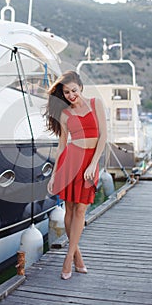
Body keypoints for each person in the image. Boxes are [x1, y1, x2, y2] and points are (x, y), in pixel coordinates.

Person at [45, 70, 107, 280]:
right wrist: (54, 174)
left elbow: (103, 136)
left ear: (80, 87)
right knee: (70, 209)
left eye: (74, 90)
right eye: (67, 92)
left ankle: (68, 257)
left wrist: (93, 164)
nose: (71, 95)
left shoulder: (96, 103)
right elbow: (62, 145)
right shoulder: (65, 113)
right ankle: (77, 256)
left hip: (90, 162)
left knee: (81, 209)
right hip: (71, 161)